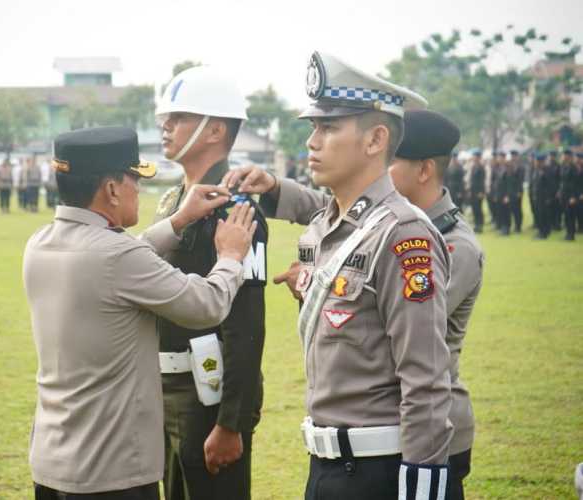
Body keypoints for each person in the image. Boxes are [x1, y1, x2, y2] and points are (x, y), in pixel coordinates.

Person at [224, 52, 453, 500]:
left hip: (379, 474)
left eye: (328, 128)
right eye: (313, 127)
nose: (312, 141)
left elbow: (425, 381)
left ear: (375, 140)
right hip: (327, 469)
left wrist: (422, 490)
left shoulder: (404, 236)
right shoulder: (328, 224)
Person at [24, 126, 257, 500]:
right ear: (112, 189)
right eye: (135, 178)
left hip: (53, 464)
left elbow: (118, 260)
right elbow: (206, 305)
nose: (139, 189)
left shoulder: (40, 243)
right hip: (110, 473)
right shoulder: (117, 257)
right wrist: (230, 258)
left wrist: (178, 221)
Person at [154, 65, 267, 500]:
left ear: (215, 129)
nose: (166, 126)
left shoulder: (236, 210)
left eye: (179, 117)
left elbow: (246, 327)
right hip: (166, 390)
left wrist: (230, 422)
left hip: (208, 397)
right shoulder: (174, 200)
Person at [388, 110, 484, 500]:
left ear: (424, 170)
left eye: (391, 161)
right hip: (394, 420)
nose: (380, 170)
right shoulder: (396, 225)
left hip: (436, 427)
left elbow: (402, 325)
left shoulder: (454, 246)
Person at [531, 153, 555, 239]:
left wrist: (548, 197)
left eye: (536, 161)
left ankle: (544, 233)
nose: (535, 163)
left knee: (544, 215)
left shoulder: (547, 170)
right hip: (537, 197)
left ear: (541, 162)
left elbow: (550, 185)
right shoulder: (536, 170)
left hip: (544, 198)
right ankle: (541, 230)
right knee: (538, 215)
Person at [559, 149, 578, 241]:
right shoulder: (563, 166)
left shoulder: (573, 167)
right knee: (566, 215)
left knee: (571, 215)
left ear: (569, 156)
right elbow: (562, 181)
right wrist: (560, 191)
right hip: (564, 194)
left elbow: (575, 183)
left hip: (571, 195)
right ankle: (567, 233)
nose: (564, 157)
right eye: (563, 155)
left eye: (565, 155)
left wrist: (573, 197)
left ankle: (571, 234)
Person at [468, 150, 486, 233]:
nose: (474, 158)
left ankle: (480, 225)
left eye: (475, 156)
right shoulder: (473, 166)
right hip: (473, 191)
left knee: (479, 208)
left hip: (478, 191)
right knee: (474, 208)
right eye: (473, 156)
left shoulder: (481, 167)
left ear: (479, 157)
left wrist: (481, 192)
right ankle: (476, 224)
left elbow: (482, 181)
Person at [507, 150, 524, 232]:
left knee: (517, 209)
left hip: (517, 191)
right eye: (512, 156)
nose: (513, 157)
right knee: (512, 209)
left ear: (517, 157)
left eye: (514, 156)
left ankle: (518, 226)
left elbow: (520, 180)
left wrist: (519, 192)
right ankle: (514, 225)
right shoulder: (509, 165)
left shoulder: (520, 166)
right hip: (510, 191)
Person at [548, 151, 562, 231]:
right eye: (550, 156)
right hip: (549, 191)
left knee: (557, 208)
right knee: (550, 208)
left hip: (556, 190)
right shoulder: (547, 166)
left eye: (552, 156)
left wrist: (559, 191)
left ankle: (557, 224)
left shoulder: (558, 166)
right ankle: (551, 224)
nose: (551, 157)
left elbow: (560, 179)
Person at [576, 153, 583, 232]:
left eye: (580, 159)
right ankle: (579, 226)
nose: (578, 160)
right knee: (578, 210)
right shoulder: (576, 168)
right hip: (577, 193)